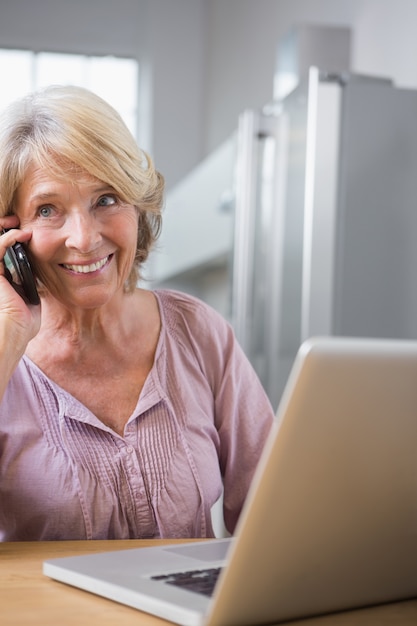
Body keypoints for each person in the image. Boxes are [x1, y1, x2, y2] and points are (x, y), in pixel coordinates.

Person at [0, 85, 274, 541]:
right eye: (48, 209)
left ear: (137, 205)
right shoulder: (4, 355)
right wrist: (8, 336)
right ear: (12, 232)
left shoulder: (199, 332)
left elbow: (275, 514)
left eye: (105, 199)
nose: (84, 238)